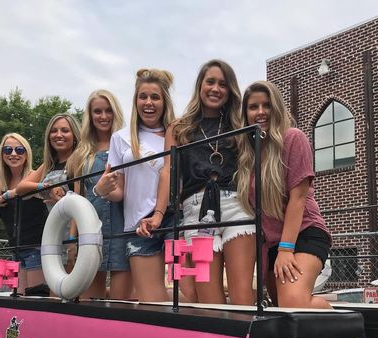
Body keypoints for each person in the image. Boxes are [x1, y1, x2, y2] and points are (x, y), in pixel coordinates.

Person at [236, 80, 359, 338]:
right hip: (271, 245)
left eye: (266, 105)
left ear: (277, 107)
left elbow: (298, 198)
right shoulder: (248, 154)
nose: (260, 112)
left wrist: (286, 249)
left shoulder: (293, 137)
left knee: (293, 302)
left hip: (303, 233)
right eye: (253, 107)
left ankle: (347, 331)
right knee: (283, 310)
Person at [138, 59, 256, 305]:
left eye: (223, 84)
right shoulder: (179, 128)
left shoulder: (239, 123)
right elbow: (168, 171)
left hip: (236, 205)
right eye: (210, 81)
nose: (215, 88)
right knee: (208, 298)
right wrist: (159, 214)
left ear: (230, 89)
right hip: (196, 210)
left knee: (242, 295)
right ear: (200, 85)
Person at [94, 68, 175, 301]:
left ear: (164, 101)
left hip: (176, 218)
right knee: (152, 301)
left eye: (155, 97)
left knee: (189, 295)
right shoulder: (120, 138)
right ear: (135, 101)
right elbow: (119, 192)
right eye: (143, 97)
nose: (148, 103)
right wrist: (103, 190)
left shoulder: (179, 132)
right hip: (140, 226)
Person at [66, 90, 132, 300]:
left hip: (123, 229)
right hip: (91, 231)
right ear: (90, 115)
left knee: (121, 306)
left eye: (108, 110)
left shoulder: (128, 145)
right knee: (88, 304)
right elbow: (78, 198)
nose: (103, 116)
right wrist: (72, 239)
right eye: (97, 111)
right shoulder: (80, 153)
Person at [0, 133, 48, 294]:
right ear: (2, 154)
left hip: (35, 247)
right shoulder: (2, 181)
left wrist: (7, 196)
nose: (13, 154)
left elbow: (47, 192)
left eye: (19, 150)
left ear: (26, 154)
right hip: (16, 249)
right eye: (8, 150)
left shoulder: (32, 178)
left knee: (35, 297)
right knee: (18, 297)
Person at [16, 113, 81, 271]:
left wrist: (72, 240)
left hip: (74, 236)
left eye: (65, 130)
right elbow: (20, 188)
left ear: (74, 135)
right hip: (53, 236)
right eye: (54, 131)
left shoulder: (79, 161)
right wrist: (44, 187)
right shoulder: (49, 165)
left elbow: (80, 202)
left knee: (75, 291)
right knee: (55, 292)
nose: (58, 135)